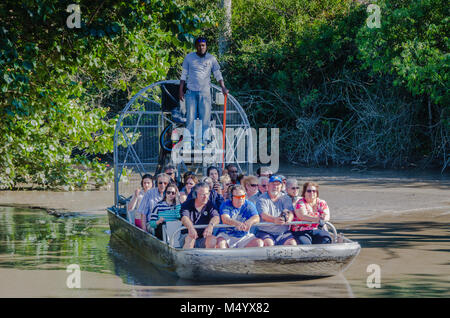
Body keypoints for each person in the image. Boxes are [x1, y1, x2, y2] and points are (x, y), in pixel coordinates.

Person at [179, 36, 228, 147]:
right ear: (196, 46)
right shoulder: (189, 58)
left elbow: (217, 74)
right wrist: (180, 90)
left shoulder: (211, 59)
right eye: (199, 46)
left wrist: (223, 87)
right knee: (190, 118)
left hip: (205, 93)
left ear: (206, 47)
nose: (201, 47)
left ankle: (203, 143)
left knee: (205, 119)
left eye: (203, 46)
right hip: (191, 93)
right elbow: (183, 75)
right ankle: (189, 143)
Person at [255, 175, 297, 246]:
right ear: (268, 186)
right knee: (269, 244)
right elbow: (264, 215)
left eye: (278, 185)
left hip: (283, 232)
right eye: (273, 184)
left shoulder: (286, 198)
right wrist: (275, 220)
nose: (275, 187)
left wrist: (288, 219)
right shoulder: (261, 199)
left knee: (292, 244)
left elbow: (291, 212)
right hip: (265, 232)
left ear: (281, 187)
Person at [180, 182, 220, 248]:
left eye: (207, 194)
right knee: (191, 238)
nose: (205, 197)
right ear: (196, 194)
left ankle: (208, 258)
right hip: (187, 236)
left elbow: (216, 217)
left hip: (203, 238)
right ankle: (187, 257)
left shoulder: (210, 205)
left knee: (212, 239)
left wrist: (210, 226)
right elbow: (184, 218)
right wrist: (191, 228)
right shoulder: (187, 204)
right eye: (202, 194)